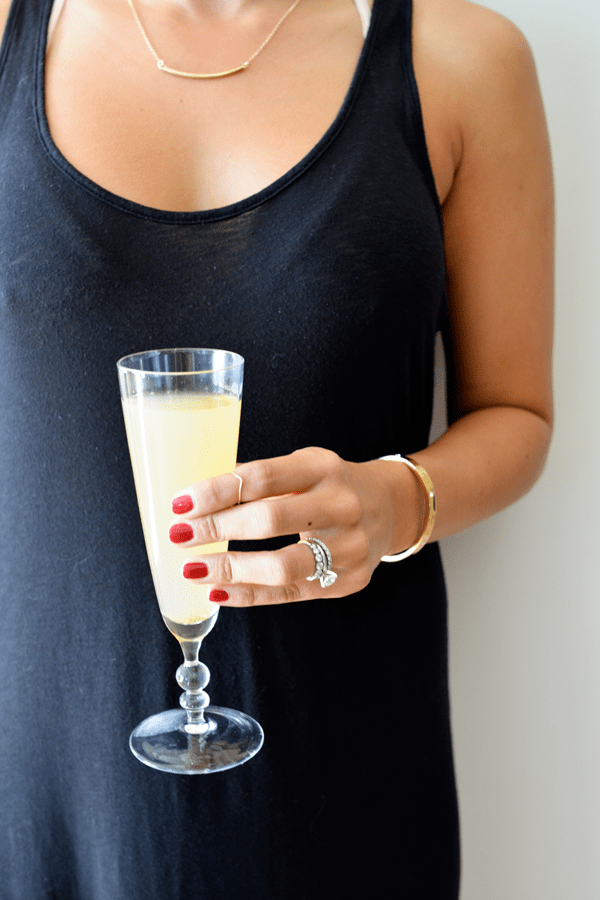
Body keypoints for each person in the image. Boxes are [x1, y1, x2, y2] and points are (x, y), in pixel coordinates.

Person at [0, 0, 553, 898]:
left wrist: (399, 500)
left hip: (337, 785)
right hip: (42, 800)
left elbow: (516, 413)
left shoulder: (462, 59)